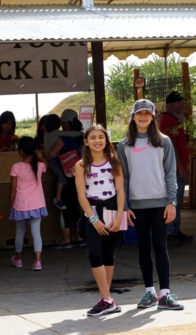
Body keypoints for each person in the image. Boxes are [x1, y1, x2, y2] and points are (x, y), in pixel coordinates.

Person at [117, 99, 184, 311]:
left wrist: (172, 202)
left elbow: (170, 174)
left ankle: (165, 294)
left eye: (147, 113)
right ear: (133, 116)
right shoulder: (124, 144)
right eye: (139, 113)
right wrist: (125, 206)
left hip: (161, 203)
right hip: (137, 205)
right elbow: (123, 179)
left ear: (153, 116)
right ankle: (149, 293)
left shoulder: (164, 142)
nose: (143, 117)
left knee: (160, 247)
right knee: (143, 248)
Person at [74, 124, 126, 317]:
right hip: (93, 211)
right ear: (86, 141)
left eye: (101, 137)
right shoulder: (80, 165)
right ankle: (106, 299)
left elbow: (121, 190)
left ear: (106, 140)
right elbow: (81, 196)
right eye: (93, 137)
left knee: (108, 253)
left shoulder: (114, 162)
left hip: (112, 208)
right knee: (94, 253)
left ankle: (106, 299)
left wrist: (120, 214)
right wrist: (93, 218)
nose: (97, 141)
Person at [45, 109, 84, 248]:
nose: (62, 126)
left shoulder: (62, 138)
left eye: (64, 123)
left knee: (64, 209)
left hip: (65, 178)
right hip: (79, 177)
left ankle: (66, 240)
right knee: (78, 207)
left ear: (67, 123)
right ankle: (80, 237)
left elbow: (50, 155)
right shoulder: (82, 137)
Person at [9, 136, 47, 271]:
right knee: (36, 232)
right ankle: (38, 261)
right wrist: (40, 156)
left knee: (20, 231)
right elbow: (45, 165)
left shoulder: (16, 167)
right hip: (37, 204)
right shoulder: (40, 165)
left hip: (20, 204)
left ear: (20, 151)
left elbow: (13, 189)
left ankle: (18, 259)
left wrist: (11, 204)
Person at [159, 91, 192, 246]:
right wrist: (181, 168)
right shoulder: (167, 120)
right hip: (174, 170)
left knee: (177, 201)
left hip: (177, 169)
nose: (184, 105)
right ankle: (171, 232)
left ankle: (175, 230)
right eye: (181, 102)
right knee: (173, 201)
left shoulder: (174, 120)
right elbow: (171, 146)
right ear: (172, 105)